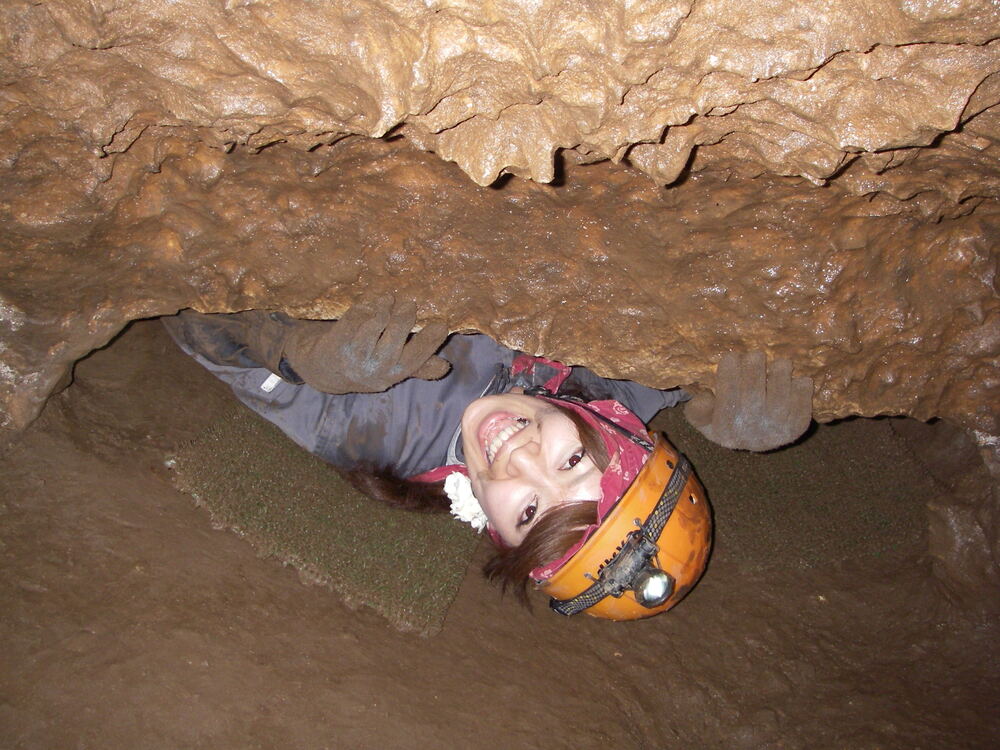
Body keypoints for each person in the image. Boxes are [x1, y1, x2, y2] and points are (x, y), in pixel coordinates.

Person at [163, 297, 812, 620]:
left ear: (497, 533)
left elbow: (186, 318)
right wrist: (716, 400)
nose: (521, 459)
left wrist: (289, 348)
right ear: (614, 427)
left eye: (528, 512)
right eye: (571, 463)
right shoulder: (613, 394)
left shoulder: (361, 427)